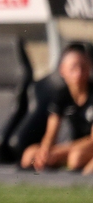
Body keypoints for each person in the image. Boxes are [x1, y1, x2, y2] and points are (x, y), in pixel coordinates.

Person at [20, 42, 93, 174]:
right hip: (73, 146)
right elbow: (51, 133)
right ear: (62, 70)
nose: (79, 73)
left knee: (76, 157)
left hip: (86, 146)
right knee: (29, 156)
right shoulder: (61, 96)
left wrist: (59, 152)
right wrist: (45, 152)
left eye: (83, 67)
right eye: (74, 68)